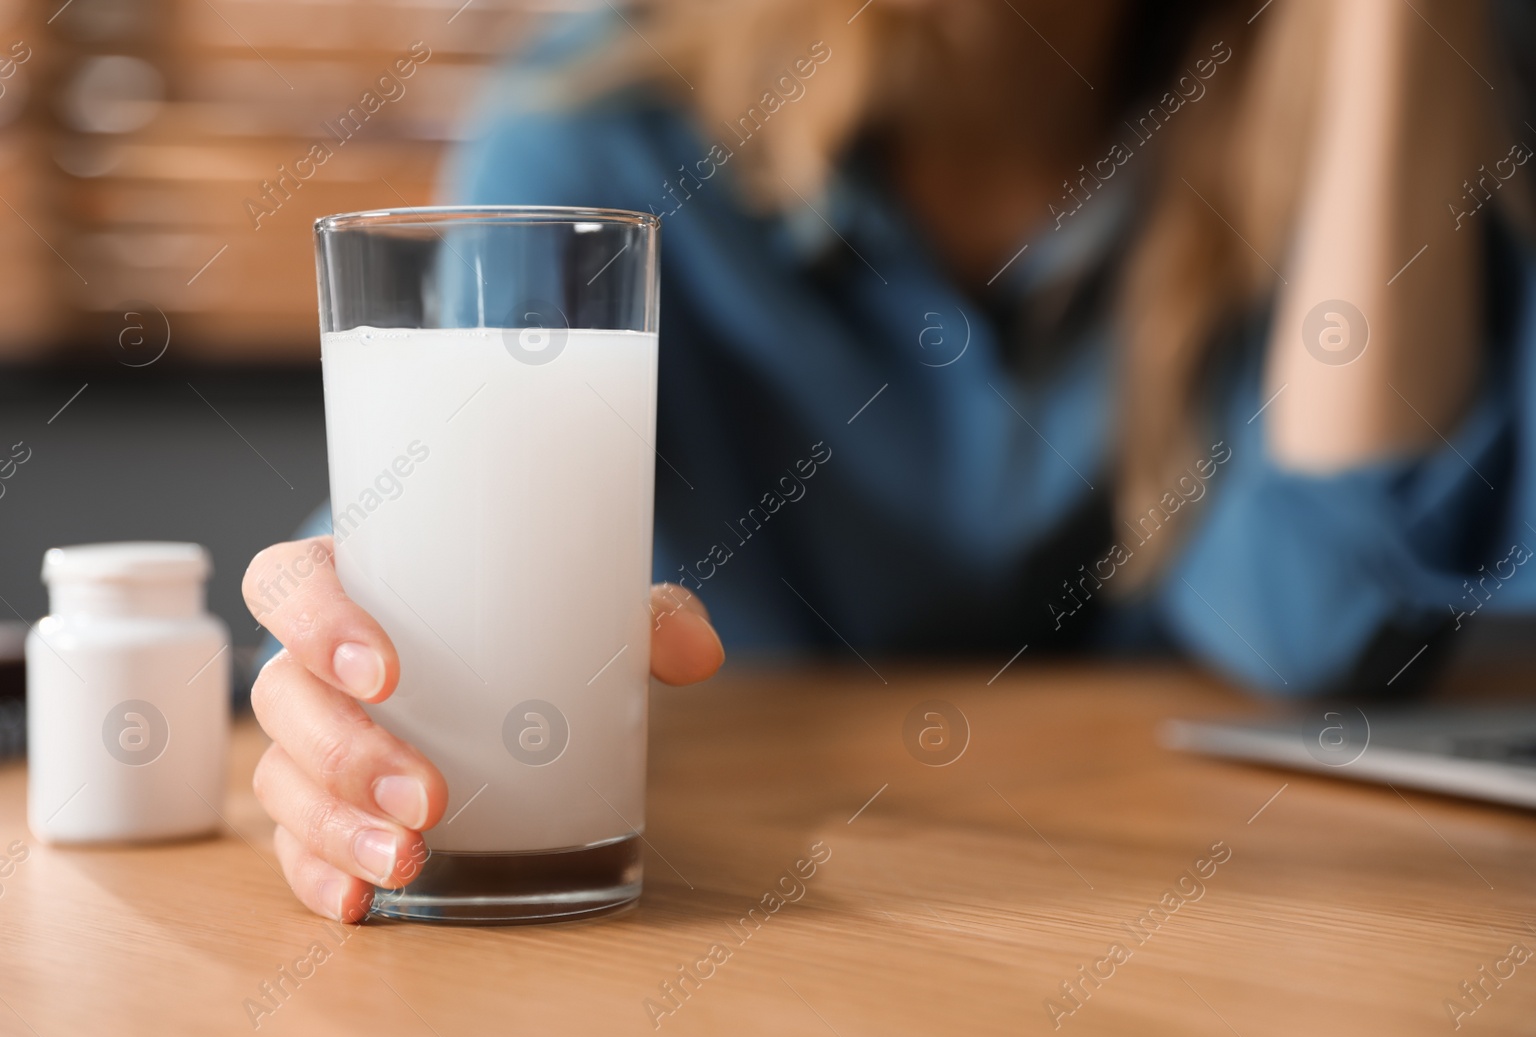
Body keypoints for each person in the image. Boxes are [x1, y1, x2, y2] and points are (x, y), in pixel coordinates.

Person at [245, 0, 1536, 921]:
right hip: (775, 938)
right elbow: (430, 565)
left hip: (1240, 927)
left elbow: (1322, 630)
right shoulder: (600, 135)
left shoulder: (1376, 112)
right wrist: (335, 697)